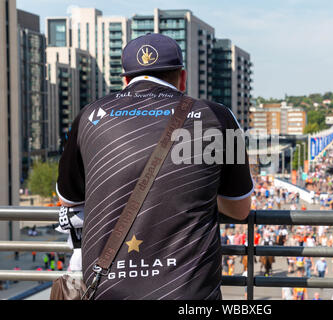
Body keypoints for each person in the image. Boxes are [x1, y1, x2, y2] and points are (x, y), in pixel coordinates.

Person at [56, 33, 254, 300]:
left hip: (109, 290)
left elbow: (69, 199)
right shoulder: (217, 116)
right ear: (182, 78)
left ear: (125, 81)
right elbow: (240, 209)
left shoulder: (89, 116)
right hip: (189, 292)